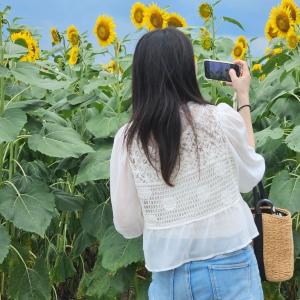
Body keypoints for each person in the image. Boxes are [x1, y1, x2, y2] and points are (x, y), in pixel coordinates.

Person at [109, 27, 265, 300]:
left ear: (141, 77)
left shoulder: (128, 140)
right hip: (231, 264)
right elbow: (249, 175)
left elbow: (128, 224)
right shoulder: (218, 119)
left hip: (170, 278)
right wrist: (243, 98)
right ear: (187, 69)